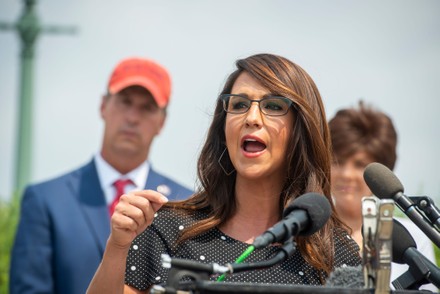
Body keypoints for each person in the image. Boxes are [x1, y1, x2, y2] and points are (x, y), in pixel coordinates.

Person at [87, 53, 361, 294]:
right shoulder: (167, 229)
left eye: (273, 106)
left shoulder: (336, 252)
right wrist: (117, 247)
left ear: (301, 129)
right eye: (239, 104)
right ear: (223, 126)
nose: (252, 117)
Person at [9, 57, 194, 294]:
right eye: (125, 102)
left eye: (146, 107)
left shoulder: (185, 205)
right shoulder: (46, 200)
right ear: (103, 106)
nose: (132, 117)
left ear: (162, 122)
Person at [329, 100, 437, 291]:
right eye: (338, 161)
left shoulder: (413, 235)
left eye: (360, 164)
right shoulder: (307, 236)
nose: (346, 174)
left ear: (382, 171)